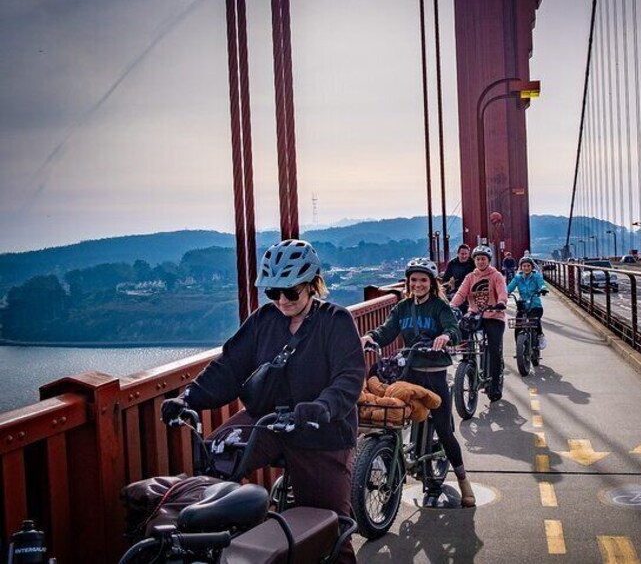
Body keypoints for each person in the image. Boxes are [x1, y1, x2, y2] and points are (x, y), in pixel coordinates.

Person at [161, 239, 365, 564]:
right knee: (214, 463)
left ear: (312, 285)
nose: (281, 300)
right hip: (266, 421)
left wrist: (321, 408)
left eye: (291, 292)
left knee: (330, 528)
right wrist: (189, 398)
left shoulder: (335, 321)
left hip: (319, 431)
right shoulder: (263, 321)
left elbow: (349, 377)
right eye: (272, 292)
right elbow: (228, 367)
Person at [360, 258, 476, 508]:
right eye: (414, 280)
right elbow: (386, 331)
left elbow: (453, 329)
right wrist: (371, 337)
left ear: (432, 283)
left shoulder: (439, 307)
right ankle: (391, 456)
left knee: (444, 431)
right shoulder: (402, 308)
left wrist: (445, 336)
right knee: (392, 415)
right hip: (410, 372)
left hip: (433, 374)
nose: (418, 284)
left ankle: (464, 482)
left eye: (423, 280)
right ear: (408, 281)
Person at [450, 245, 508, 401]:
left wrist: (501, 302)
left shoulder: (496, 276)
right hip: (475, 314)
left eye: (483, 259)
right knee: (462, 329)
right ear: (474, 260)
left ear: (488, 260)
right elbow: (461, 293)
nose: (480, 261)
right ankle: (467, 364)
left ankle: (495, 386)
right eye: (477, 259)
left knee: (494, 350)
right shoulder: (470, 277)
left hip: (494, 315)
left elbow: (502, 291)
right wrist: (451, 306)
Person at [507, 257, 548, 350]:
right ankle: (519, 347)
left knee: (534, 321)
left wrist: (543, 289)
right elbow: (510, 287)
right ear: (521, 267)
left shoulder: (536, 276)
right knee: (518, 325)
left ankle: (540, 336)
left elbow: (541, 284)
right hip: (522, 305)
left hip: (535, 305)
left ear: (532, 267)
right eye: (524, 266)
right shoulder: (517, 278)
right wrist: (505, 293)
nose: (526, 268)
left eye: (528, 266)